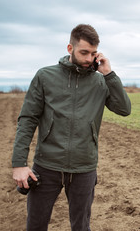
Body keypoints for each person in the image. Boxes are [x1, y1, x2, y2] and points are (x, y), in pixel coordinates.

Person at [12, 24, 131, 231]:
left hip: (84, 168)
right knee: (36, 225)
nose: (88, 58)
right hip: (47, 166)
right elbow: (28, 119)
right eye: (83, 52)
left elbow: (124, 109)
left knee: (81, 226)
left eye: (93, 53)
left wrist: (109, 74)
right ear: (70, 48)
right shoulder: (45, 76)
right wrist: (19, 163)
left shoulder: (100, 82)